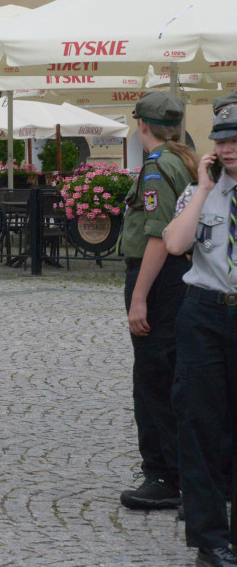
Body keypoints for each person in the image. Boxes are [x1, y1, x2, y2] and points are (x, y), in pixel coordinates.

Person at [163, 92, 237, 567]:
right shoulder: (199, 192)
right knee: (200, 425)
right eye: (222, 141)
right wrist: (205, 189)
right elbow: (175, 243)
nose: (228, 150)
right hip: (204, 314)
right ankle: (211, 542)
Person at [117, 91, 198, 511]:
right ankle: (181, 471)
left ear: (142, 124)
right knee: (169, 375)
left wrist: (139, 298)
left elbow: (158, 236)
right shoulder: (184, 159)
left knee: (152, 379)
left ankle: (164, 475)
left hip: (157, 279)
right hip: (176, 279)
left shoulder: (157, 166)